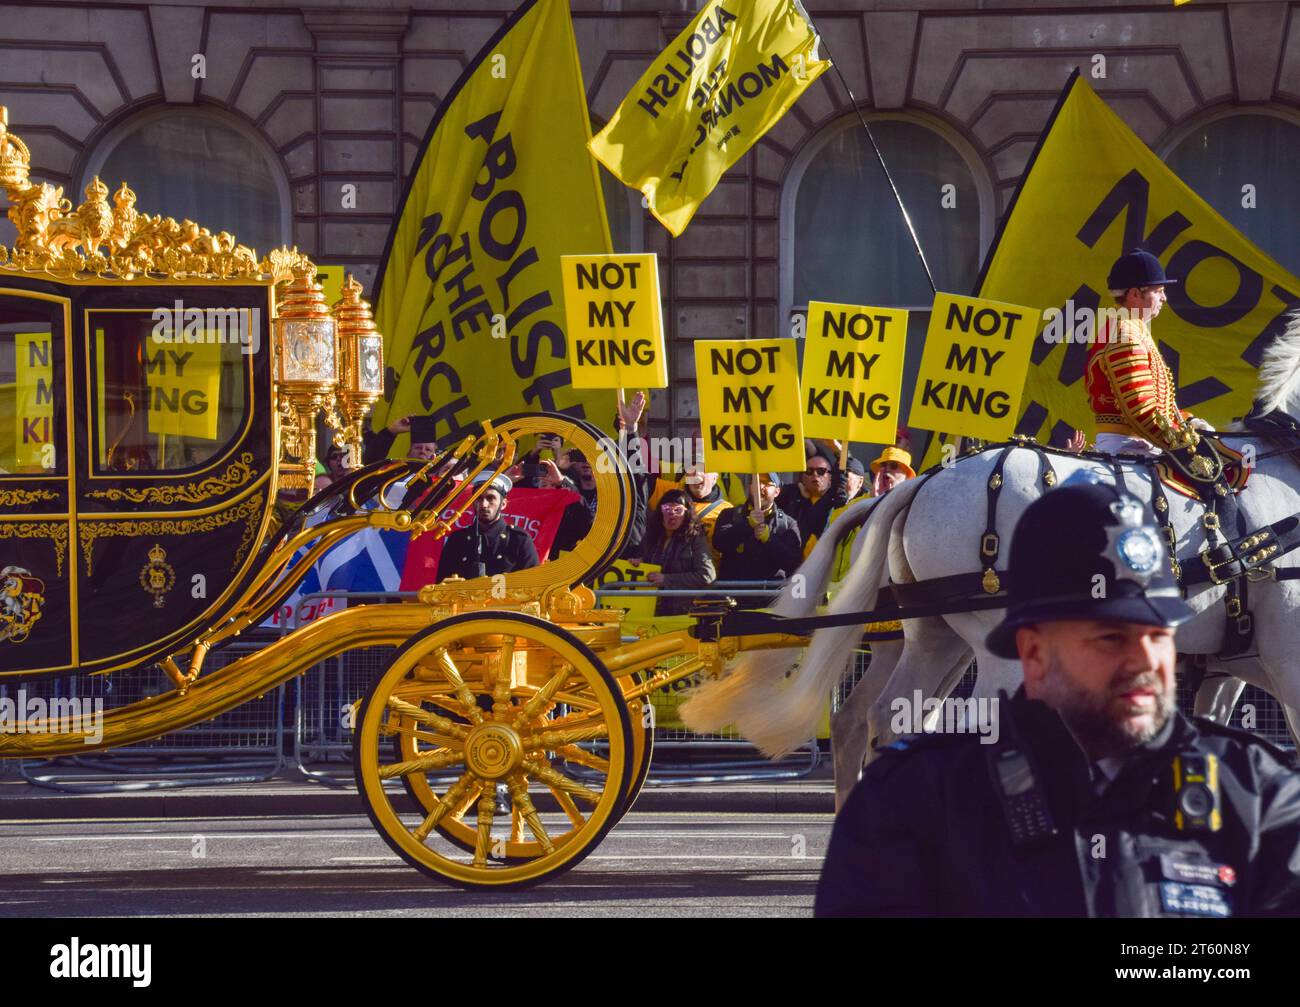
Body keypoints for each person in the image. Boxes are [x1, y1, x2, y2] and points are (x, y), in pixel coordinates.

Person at [816, 479, 1300, 917]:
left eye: (1157, 634)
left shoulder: (1261, 795)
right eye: (1110, 638)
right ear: (1034, 652)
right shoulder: (910, 802)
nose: (1143, 662)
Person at [1085, 248, 1213, 456]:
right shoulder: (1125, 334)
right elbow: (1140, 410)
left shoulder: (1132, 329)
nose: (1164, 298)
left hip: (1140, 441)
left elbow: (1157, 405)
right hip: (1128, 445)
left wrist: (1188, 421)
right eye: (1158, 291)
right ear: (1135, 294)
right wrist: (1183, 442)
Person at [710, 472, 802, 605]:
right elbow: (719, 543)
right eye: (757, 482)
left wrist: (769, 540)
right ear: (749, 487)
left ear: (777, 492)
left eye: (766, 483)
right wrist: (747, 526)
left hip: (770, 600)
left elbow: (794, 563)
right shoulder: (730, 514)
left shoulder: (788, 524)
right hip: (733, 599)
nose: (760, 487)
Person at [435, 472, 538, 582]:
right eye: (478, 498)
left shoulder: (518, 540)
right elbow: (442, 585)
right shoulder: (457, 540)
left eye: (490, 498)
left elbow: (531, 585)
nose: (483, 504)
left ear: (503, 504)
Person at [637, 488, 716, 616]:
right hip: (652, 610)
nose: (672, 514)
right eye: (667, 509)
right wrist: (638, 563)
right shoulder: (651, 537)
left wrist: (667, 580)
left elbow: (707, 575)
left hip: (684, 612)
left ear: (686, 513)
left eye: (678, 510)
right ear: (660, 512)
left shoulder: (695, 539)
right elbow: (648, 565)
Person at [777, 444, 843, 543]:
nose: (815, 475)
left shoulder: (838, 499)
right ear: (802, 477)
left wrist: (839, 452)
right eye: (809, 471)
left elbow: (851, 475)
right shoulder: (790, 496)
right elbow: (770, 487)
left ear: (831, 477)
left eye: (821, 471)